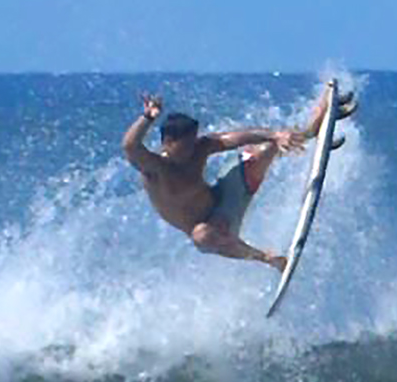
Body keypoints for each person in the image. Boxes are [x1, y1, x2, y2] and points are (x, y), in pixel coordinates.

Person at [120, 86, 354, 271]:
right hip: (217, 229)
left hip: (226, 198)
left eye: (193, 143)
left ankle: (312, 129)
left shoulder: (199, 147)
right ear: (167, 143)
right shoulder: (155, 168)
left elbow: (233, 138)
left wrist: (275, 134)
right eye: (186, 146)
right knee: (201, 236)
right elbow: (130, 146)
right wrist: (147, 117)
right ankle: (268, 259)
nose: (192, 150)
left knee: (268, 147)